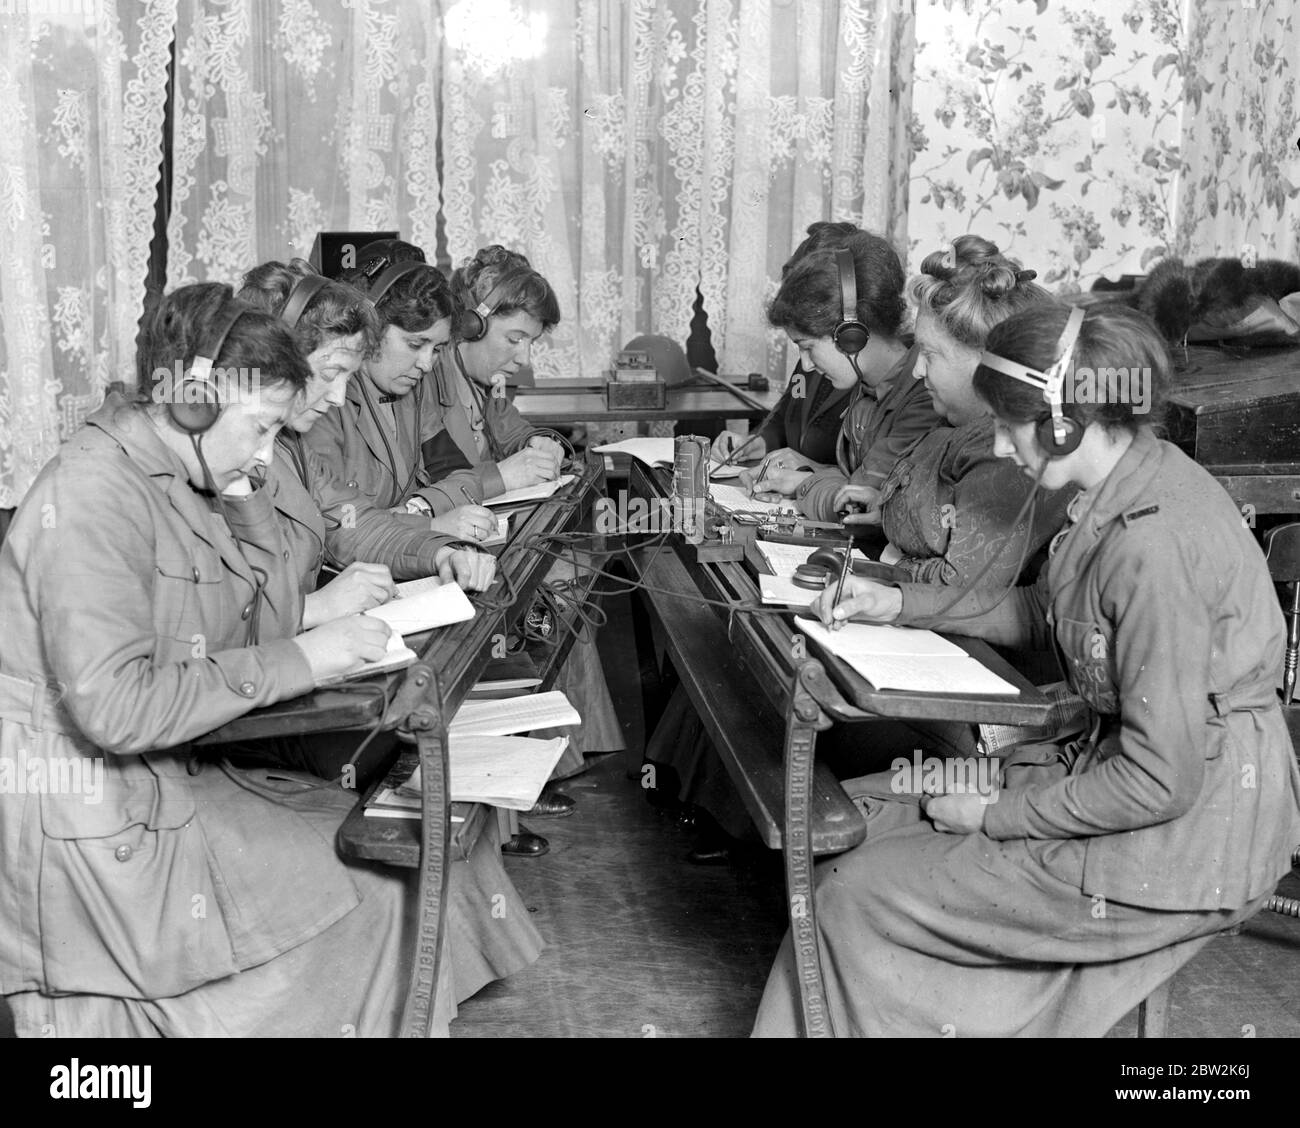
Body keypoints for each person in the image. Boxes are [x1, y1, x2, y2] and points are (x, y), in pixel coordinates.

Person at [0, 284, 539, 1035]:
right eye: (258, 429)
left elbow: (241, 612)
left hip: (160, 771)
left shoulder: (181, 473)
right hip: (90, 811)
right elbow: (118, 707)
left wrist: (249, 492)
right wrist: (308, 657)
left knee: (401, 845)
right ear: (191, 400)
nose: (267, 452)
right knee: (384, 878)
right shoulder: (93, 494)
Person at [753, 302, 1300, 1037]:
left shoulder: (1154, 544)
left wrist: (998, 815)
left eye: (1010, 428)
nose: (1003, 449)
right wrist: (899, 605)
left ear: (1062, 423)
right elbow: (1045, 615)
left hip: (1188, 840)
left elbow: (1160, 780)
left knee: (854, 891)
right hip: (1119, 780)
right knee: (859, 816)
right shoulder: (1121, 483)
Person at [738, 228, 941, 521]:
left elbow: (856, 500)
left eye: (807, 347)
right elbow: (855, 476)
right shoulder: (868, 385)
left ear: (851, 336)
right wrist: (807, 474)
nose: (806, 366)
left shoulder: (923, 395)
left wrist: (804, 483)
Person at [709, 222, 861, 469]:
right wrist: (757, 442)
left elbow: (870, 477)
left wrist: (811, 468)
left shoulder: (865, 373)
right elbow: (784, 414)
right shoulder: (809, 361)